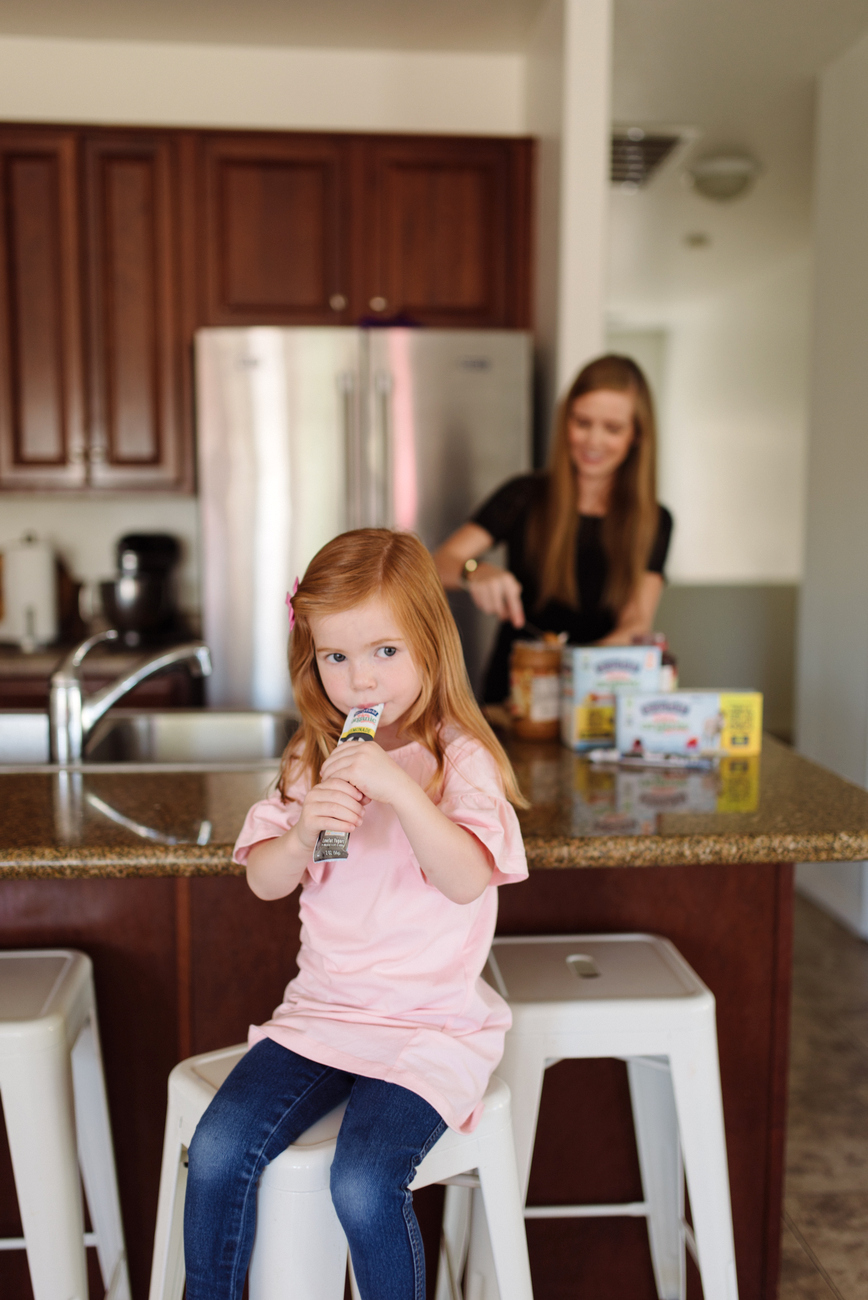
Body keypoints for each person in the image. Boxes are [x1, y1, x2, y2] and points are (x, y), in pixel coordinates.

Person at [182, 528, 528, 1300]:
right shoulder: (314, 755)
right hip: (324, 1013)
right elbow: (266, 882)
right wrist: (304, 828)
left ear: (430, 647)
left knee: (365, 1183)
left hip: (430, 1026)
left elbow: (468, 877)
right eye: (335, 658)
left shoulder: (459, 758)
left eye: (383, 652)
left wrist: (402, 790)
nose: (359, 680)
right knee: (216, 1151)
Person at [434, 353, 673, 703]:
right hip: (515, 695)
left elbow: (636, 622)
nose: (593, 441)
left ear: (637, 435)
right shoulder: (523, 496)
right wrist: (474, 571)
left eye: (612, 428)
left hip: (597, 695)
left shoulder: (655, 520)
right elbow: (439, 563)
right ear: (566, 422)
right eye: (582, 422)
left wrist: (572, 668)